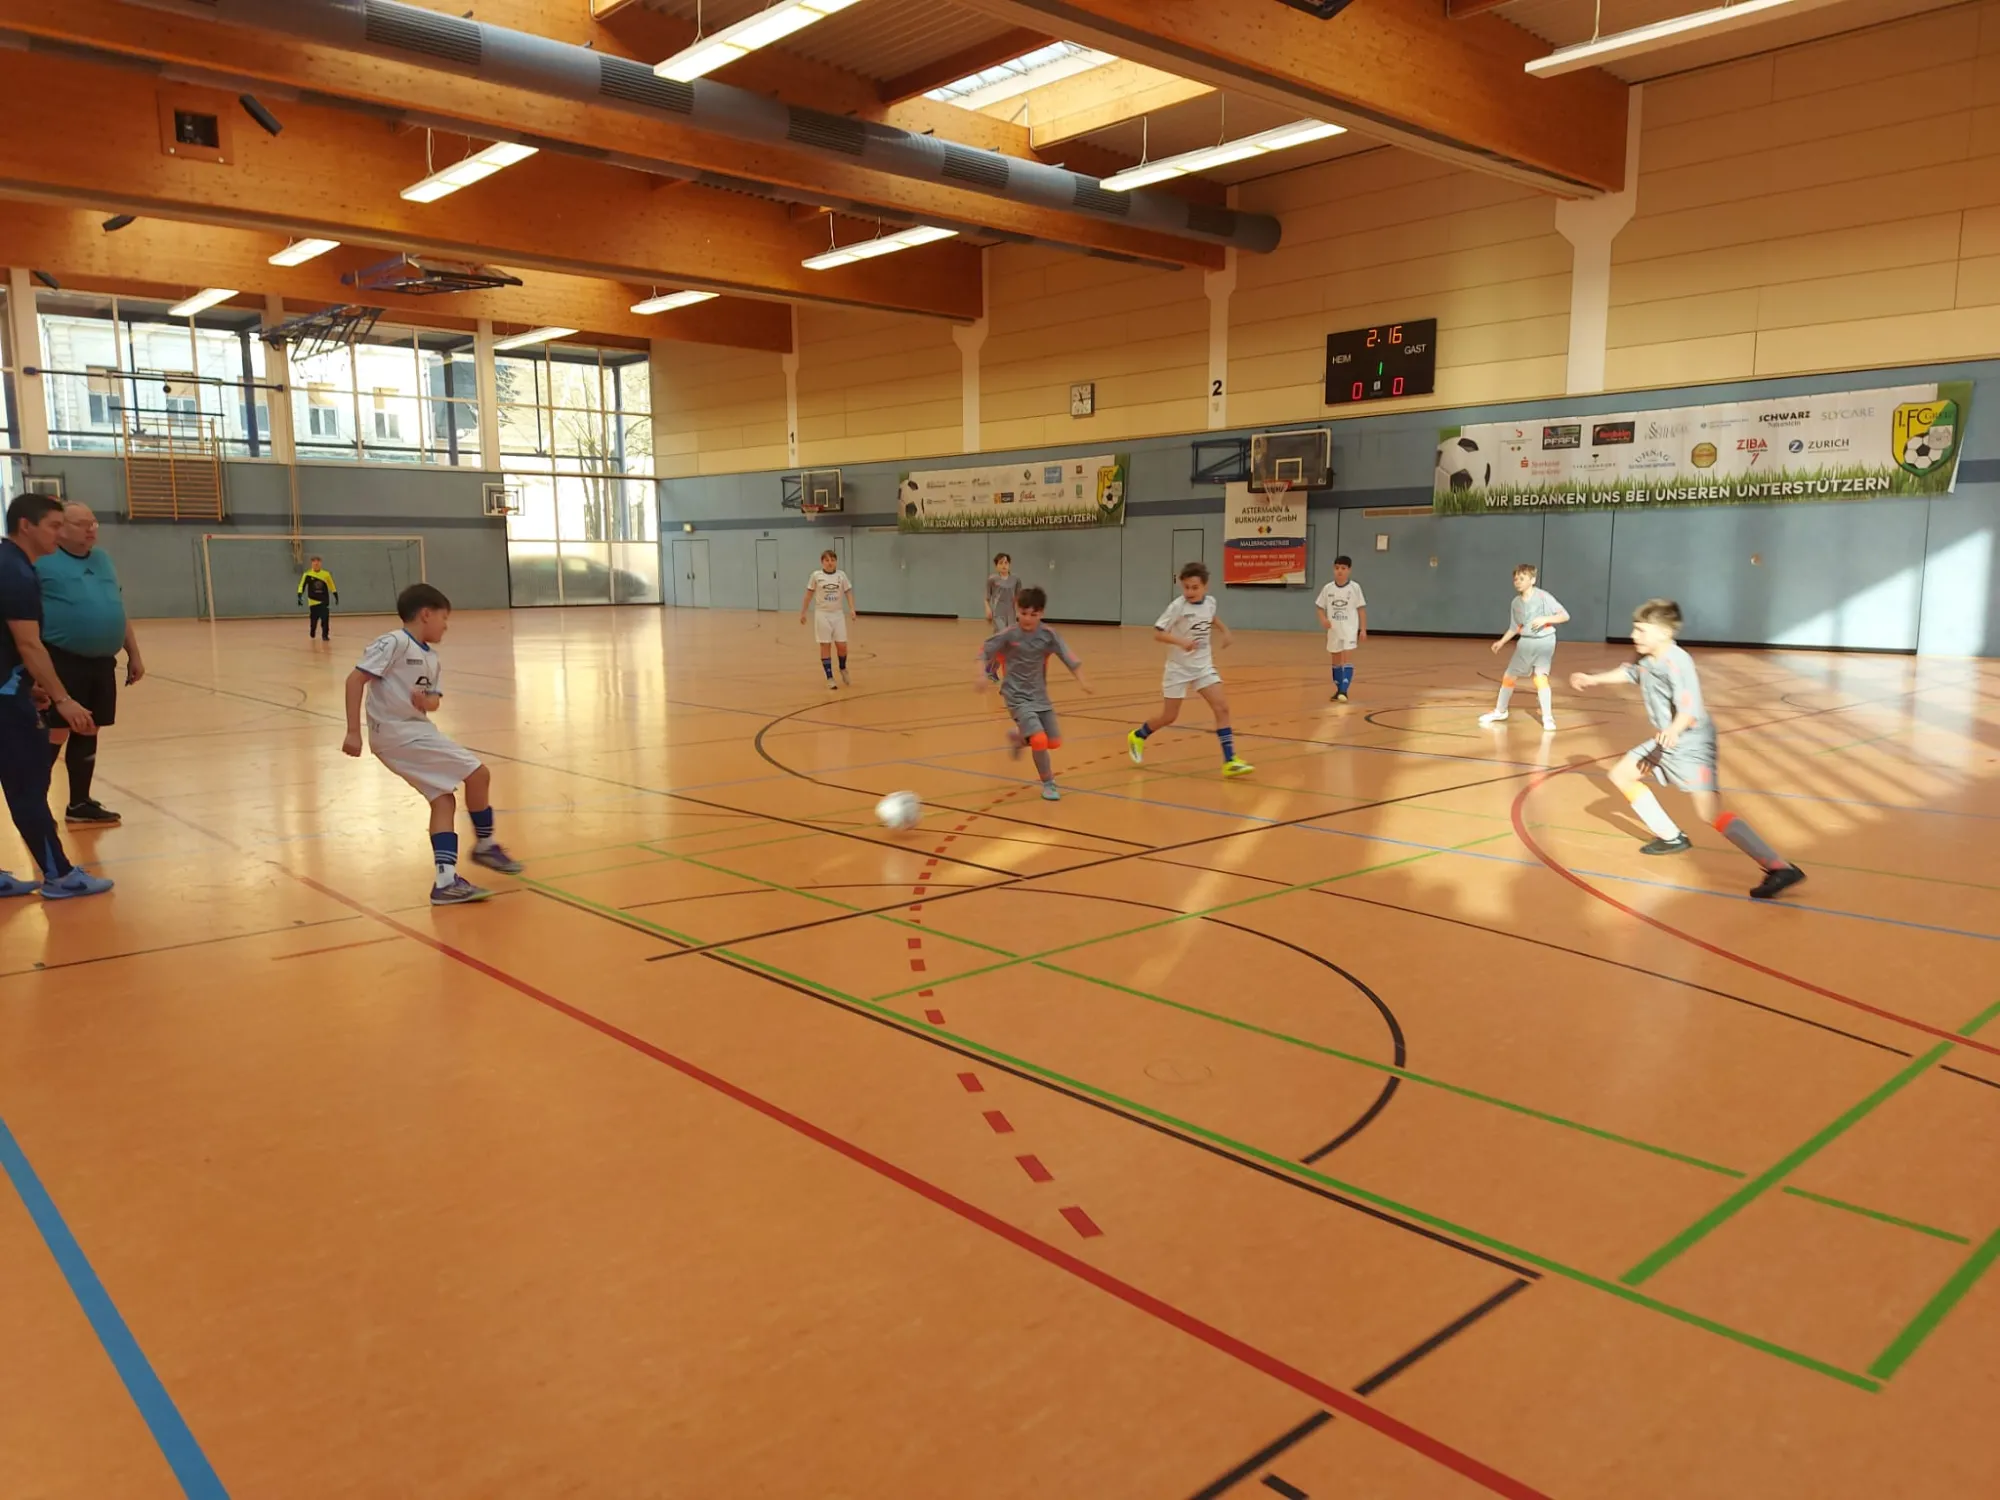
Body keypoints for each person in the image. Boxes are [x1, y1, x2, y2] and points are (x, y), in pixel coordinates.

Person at [1570, 598, 1805, 900]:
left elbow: (1689, 708)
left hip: (1691, 744)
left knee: (1710, 813)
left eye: (1641, 630)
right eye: (1634, 629)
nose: (1633, 635)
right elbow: (1630, 673)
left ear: (1664, 632)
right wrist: (1592, 679)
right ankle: (1671, 837)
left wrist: (1674, 729)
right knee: (1621, 775)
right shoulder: (1649, 660)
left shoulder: (1677, 662)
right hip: (1666, 741)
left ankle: (1779, 867)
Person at [342, 583, 522, 905]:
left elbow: (434, 702)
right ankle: (485, 845)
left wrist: (425, 701)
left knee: (443, 801)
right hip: (399, 733)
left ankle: (446, 882)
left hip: (414, 731)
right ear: (426, 614)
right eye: (444, 617)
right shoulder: (394, 643)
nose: (446, 625)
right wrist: (353, 731)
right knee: (478, 774)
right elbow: (355, 680)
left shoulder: (432, 659)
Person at [0, 494, 113, 899]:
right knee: (28, 785)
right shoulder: (16, 571)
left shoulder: (10, 564)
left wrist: (23, 683)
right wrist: (61, 697)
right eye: (53, 525)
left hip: (8, 688)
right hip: (6, 703)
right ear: (26, 526)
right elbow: (29, 644)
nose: (59, 532)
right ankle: (60, 876)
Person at [36, 502, 143, 827]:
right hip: (61, 659)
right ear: (61, 528)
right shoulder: (42, 561)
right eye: (82, 523)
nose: (91, 528)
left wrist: (133, 653)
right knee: (56, 730)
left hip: (101, 663)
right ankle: (33, 803)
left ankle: (79, 803)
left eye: (93, 522)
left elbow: (117, 606)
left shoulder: (103, 559)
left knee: (89, 727)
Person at [1128, 561, 1254, 778]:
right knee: (1169, 716)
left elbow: (1210, 617)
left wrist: (1225, 631)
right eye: (1186, 587)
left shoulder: (1210, 602)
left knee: (1222, 708)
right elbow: (1158, 633)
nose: (1190, 592)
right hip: (1178, 669)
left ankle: (1230, 760)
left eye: (1195, 587)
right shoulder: (1177, 607)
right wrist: (1181, 642)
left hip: (1203, 667)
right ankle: (1138, 735)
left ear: (1205, 586)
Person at [978, 584, 1091, 802]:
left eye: (1034, 614)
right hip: (1015, 696)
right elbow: (984, 651)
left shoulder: (1048, 635)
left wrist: (1082, 681)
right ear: (1017, 609)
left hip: (1040, 696)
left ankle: (1019, 737)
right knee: (1039, 740)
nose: (1028, 619)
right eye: (1023, 613)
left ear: (1042, 613)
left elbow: (1069, 657)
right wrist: (980, 674)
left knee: (1053, 742)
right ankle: (1049, 783)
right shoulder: (1009, 635)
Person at [1482, 564, 1569, 731]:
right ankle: (1500, 711)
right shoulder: (1516, 603)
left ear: (1533, 580)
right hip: (1525, 643)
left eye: (1522, 578)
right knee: (1509, 676)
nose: (1518, 582)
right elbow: (1514, 627)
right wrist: (1501, 642)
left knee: (1540, 677)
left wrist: (1545, 619)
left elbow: (1565, 616)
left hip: (1544, 642)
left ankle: (1548, 717)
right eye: (1515, 579)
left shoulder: (1544, 597)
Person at [798, 549, 855, 690]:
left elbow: (848, 592)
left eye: (832, 560)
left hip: (838, 614)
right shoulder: (816, 576)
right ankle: (829, 677)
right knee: (825, 645)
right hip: (822, 614)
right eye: (827, 560)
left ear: (836, 562)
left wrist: (852, 609)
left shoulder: (841, 576)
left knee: (842, 645)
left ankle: (843, 667)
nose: (830, 563)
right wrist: (803, 612)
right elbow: (808, 595)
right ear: (822, 562)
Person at [1314, 555, 1367, 702]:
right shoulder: (1328, 588)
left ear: (1349, 570)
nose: (1340, 571)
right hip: (1334, 630)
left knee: (1347, 658)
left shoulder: (1355, 588)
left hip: (1349, 629)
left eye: (1343, 568)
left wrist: (1363, 629)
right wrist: (1323, 619)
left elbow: (1361, 609)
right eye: (1337, 568)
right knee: (1336, 660)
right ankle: (1338, 690)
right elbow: (1319, 607)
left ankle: (1344, 691)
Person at [298, 555, 338, 640]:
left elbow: (331, 585)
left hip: (324, 600)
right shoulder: (307, 574)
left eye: (318, 562)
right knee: (314, 620)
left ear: (320, 563)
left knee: (325, 619)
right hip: (313, 601)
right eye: (314, 562)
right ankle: (312, 630)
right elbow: (302, 585)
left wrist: (335, 595)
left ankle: (325, 635)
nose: (316, 564)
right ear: (312, 564)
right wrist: (299, 595)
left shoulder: (326, 574)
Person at [985, 553, 1020, 634]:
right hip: (998, 612)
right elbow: (987, 597)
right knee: (1001, 632)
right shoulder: (992, 579)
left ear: (1009, 564)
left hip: (1011, 612)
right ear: (996, 566)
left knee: (1010, 634)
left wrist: (1019, 610)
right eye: (1001, 563)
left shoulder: (1015, 579)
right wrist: (988, 609)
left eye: (1006, 563)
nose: (1004, 565)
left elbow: (1018, 597)